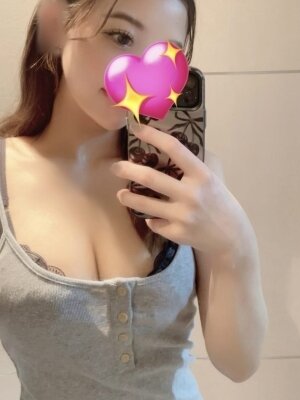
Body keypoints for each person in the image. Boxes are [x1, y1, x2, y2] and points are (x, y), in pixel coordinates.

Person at [0, 0, 269, 399]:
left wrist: (237, 244)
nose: (142, 79)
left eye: (164, 54)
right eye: (122, 37)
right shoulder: (6, 175)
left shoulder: (192, 179)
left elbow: (238, 364)